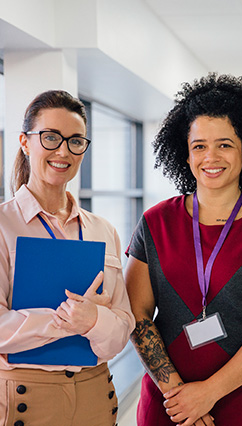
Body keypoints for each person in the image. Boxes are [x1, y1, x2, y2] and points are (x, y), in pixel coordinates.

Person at [125, 73, 242, 426]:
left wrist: (207, 393)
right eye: (199, 145)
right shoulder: (155, 223)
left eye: (225, 144)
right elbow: (137, 314)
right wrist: (178, 395)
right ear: (185, 152)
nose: (211, 156)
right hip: (167, 401)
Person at [0, 90, 135, 426]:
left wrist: (94, 322)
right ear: (25, 142)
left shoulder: (102, 230)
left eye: (76, 141)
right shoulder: (4, 225)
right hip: (25, 398)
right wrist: (72, 320)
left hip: (95, 394)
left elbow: (122, 329)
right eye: (50, 138)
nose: (63, 151)